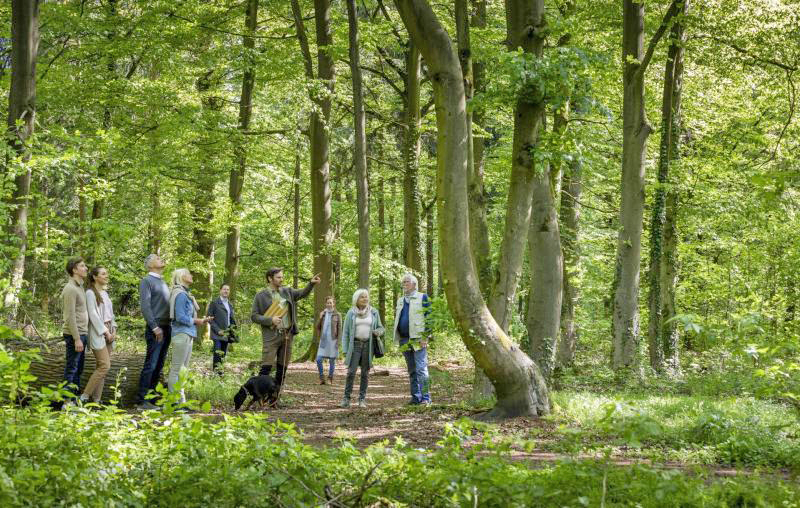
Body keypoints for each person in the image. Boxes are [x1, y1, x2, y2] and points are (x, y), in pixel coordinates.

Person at [251, 268, 321, 398]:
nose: (281, 279)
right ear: (270, 278)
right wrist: (270, 319)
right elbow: (254, 316)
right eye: (278, 277)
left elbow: (302, 293)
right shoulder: (260, 296)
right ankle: (260, 397)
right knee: (265, 368)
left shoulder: (287, 291)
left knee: (282, 369)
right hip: (271, 336)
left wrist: (311, 283)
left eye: (282, 277)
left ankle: (275, 398)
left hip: (287, 335)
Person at [167, 268, 211, 404]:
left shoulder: (186, 294)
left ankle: (181, 402)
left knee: (183, 370)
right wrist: (196, 321)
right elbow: (180, 317)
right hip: (181, 334)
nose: (191, 275)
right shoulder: (180, 294)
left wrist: (201, 321)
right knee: (176, 369)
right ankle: (174, 403)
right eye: (188, 274)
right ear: (181, 277)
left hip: (188, 333)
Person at [136, 254, 171, 410]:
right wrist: (154, 327)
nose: (161, 259)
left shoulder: (163, 282)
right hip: (155, 328)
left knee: (159, 365)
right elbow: (145, 306)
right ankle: (142, 400)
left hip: (167, 327)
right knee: (151, 364)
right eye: (157, 258)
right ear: (150, 265)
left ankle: (152, 398)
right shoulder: (146, 281)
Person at [340, 289, 384, 408]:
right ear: (356, 300)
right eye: (362, 297)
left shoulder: (374, 312)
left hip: (368, 346)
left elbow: (381, 328)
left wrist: (378, 332)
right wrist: (344, 349)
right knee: (351, 372)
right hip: (354, 346)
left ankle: (362, 399)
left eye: (366, 297)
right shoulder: (351, 313)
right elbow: (345, 333)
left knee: (365, 373)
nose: (365, 299)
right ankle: (346, 398)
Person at [392, 273, 432, 405]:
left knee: (421, 369)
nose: (404, 284)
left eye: (407, 282)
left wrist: (425, 337)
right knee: (411, 370)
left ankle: (426, 398)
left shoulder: (423, 297)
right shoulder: (400, 300)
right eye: (403, 282)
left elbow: (429, 318)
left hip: (418, 339)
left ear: (414, 284)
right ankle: (415, 397)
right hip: (404, 339)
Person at [80, 266, 117, 405]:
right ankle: (84, 397)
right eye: (103, 274)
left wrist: (114, 330)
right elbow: (93, 315)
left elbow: (111, 314)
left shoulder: (105, 294)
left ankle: (96, 400)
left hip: (109, 330)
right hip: (98, 332)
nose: (106, 276)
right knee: (104, 366)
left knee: (101, 368)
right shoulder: (90, 293)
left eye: (106, 273)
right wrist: (105, 332)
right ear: (95, 277)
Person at [61, 257, 89, 406]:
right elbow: (69, 316)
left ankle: (74, 398)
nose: (86, 268)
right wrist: (77, 338)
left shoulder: (80, 287)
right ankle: (66, 401)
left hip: (82, 334)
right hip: (74, 335)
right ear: (74, 269)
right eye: (82, 266)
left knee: (78, 369)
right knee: (71, 368)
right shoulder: (70, 288)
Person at [207, 283, 237, 375]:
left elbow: (231, 319)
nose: (226, 291)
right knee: (217, 353)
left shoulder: (229, 304)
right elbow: (209, 318)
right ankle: (216, 373)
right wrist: (217, 330)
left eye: (228, 289)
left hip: (227, 333)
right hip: (217, 333)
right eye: (224, 289)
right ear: (220, 290)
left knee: (223, 353)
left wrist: (233, 331)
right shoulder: (214, 303)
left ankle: (220, 372)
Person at [315, 296, 341, 385]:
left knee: (332, 361)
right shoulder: (323, 314)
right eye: (328, 303)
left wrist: (338, 342)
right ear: (325, 304)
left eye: (331, 303)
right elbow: (317, 327)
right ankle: (321, 377)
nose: (329, 304)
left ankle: (330, 378)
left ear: (334, 304)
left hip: (333, 341)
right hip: (323, 340)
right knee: (318, 359)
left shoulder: (337, 315)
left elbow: (340, 329)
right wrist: (320, 317)